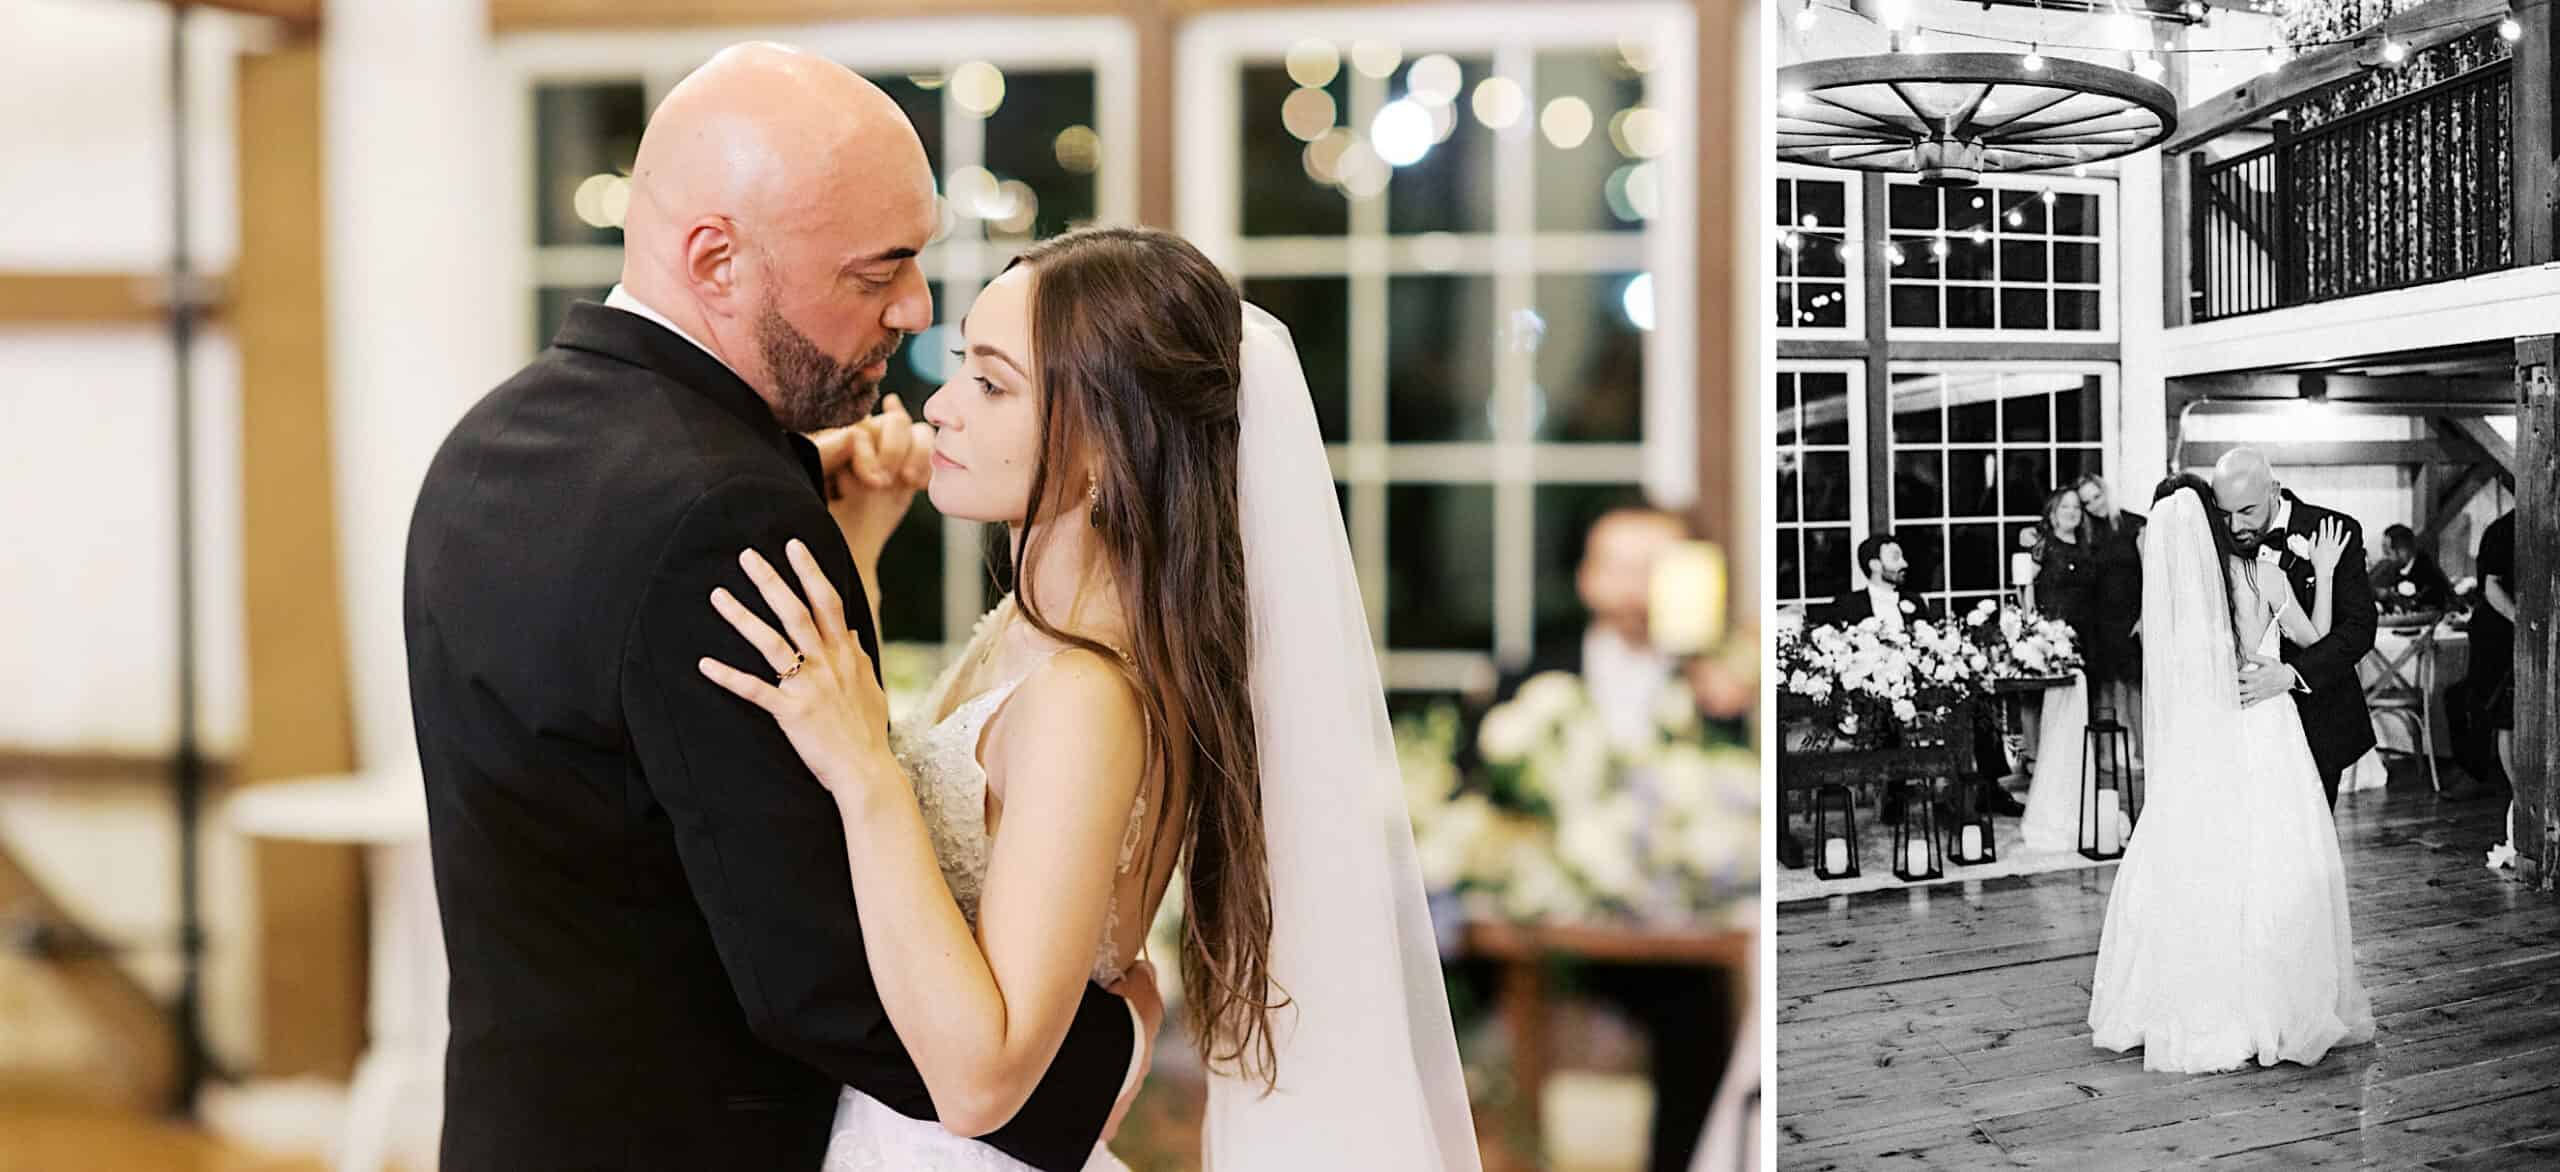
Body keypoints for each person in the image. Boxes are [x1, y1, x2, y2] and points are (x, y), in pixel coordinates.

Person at [408, 42, 1474, 1171]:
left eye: (989, 376)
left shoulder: (491, 442)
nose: (914, 332)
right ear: (716, 260)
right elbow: (811, 956)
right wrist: (1106, 1045)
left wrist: (866, 741)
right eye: (878, 274)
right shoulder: (727, 509)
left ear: (1109, 446)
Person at [697, 227, 1481, 1170]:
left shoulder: (1087, 697)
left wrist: (865, 773)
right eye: (959, 371)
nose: (938, 409)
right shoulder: (1033, 633)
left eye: (991, 385)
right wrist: (858, 550)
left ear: (1112, 442)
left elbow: (981, 1082)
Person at [1452, 503, 1736, 1172]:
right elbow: (1474, 789)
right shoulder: (1528, 677)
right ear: (1587, 577)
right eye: (1621, 564)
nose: (1636, 583)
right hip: (1533, 921)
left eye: (1656, 566)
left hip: (1663, 934)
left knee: (1699, 1014)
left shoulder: (1717, 686)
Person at [2086, 473, 2373, 1072]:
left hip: (2200, 746)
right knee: (2274, 865)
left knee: (2200, 866)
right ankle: (2271, 1000)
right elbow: (2313, 637)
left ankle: (2192, 1001)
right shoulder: (2255, 575)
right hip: (2265, 731)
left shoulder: (2168, 606)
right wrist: (2314, 575)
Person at [2209, 449, 2379, 807]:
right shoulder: (2211, 541)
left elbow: (2360, 628)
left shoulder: (2333, 531)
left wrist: (2293, 675)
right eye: (2224, 514)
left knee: (2307, 839)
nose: (2235, 527)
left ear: (2274, 490)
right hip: (2241, 721)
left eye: (2247, 511)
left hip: (2318, 717)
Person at [2446, 508, 2515, 800]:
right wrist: (2524, 624)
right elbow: (2491, 587)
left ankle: (2475, 770)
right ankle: (2474, 773)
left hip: (2507, 627)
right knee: (2483, 701)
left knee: (2485, 703)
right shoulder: (2504, 530)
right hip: (2496, 632)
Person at [2370, 523, 2452, 613]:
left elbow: (2433, 603)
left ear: (2402, 550)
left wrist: (2390, 596)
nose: (2385, 555)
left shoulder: (2427, 570)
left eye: (2387, 551)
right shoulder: (2388, 565)